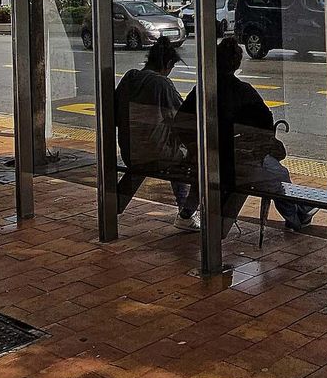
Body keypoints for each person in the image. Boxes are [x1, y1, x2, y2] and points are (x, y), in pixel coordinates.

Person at [177, 37, 285, 235]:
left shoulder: (201, 89)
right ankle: (298, 217)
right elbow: (266, 127)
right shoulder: (243, 91)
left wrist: (194, 148)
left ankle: (188, 213)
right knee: (280, 175)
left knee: (207, 168)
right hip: (234, 164)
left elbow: (180, 122)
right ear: (236, 64)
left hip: (204, 159)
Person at [114, 38, 199, 228]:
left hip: (130, 151)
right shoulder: (162, 84)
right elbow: (182, 117)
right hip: (154, 155)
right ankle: (185, 213)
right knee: (188, 157)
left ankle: (113, 206)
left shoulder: (130, 78)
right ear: (168, 64)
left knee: (145, 160)